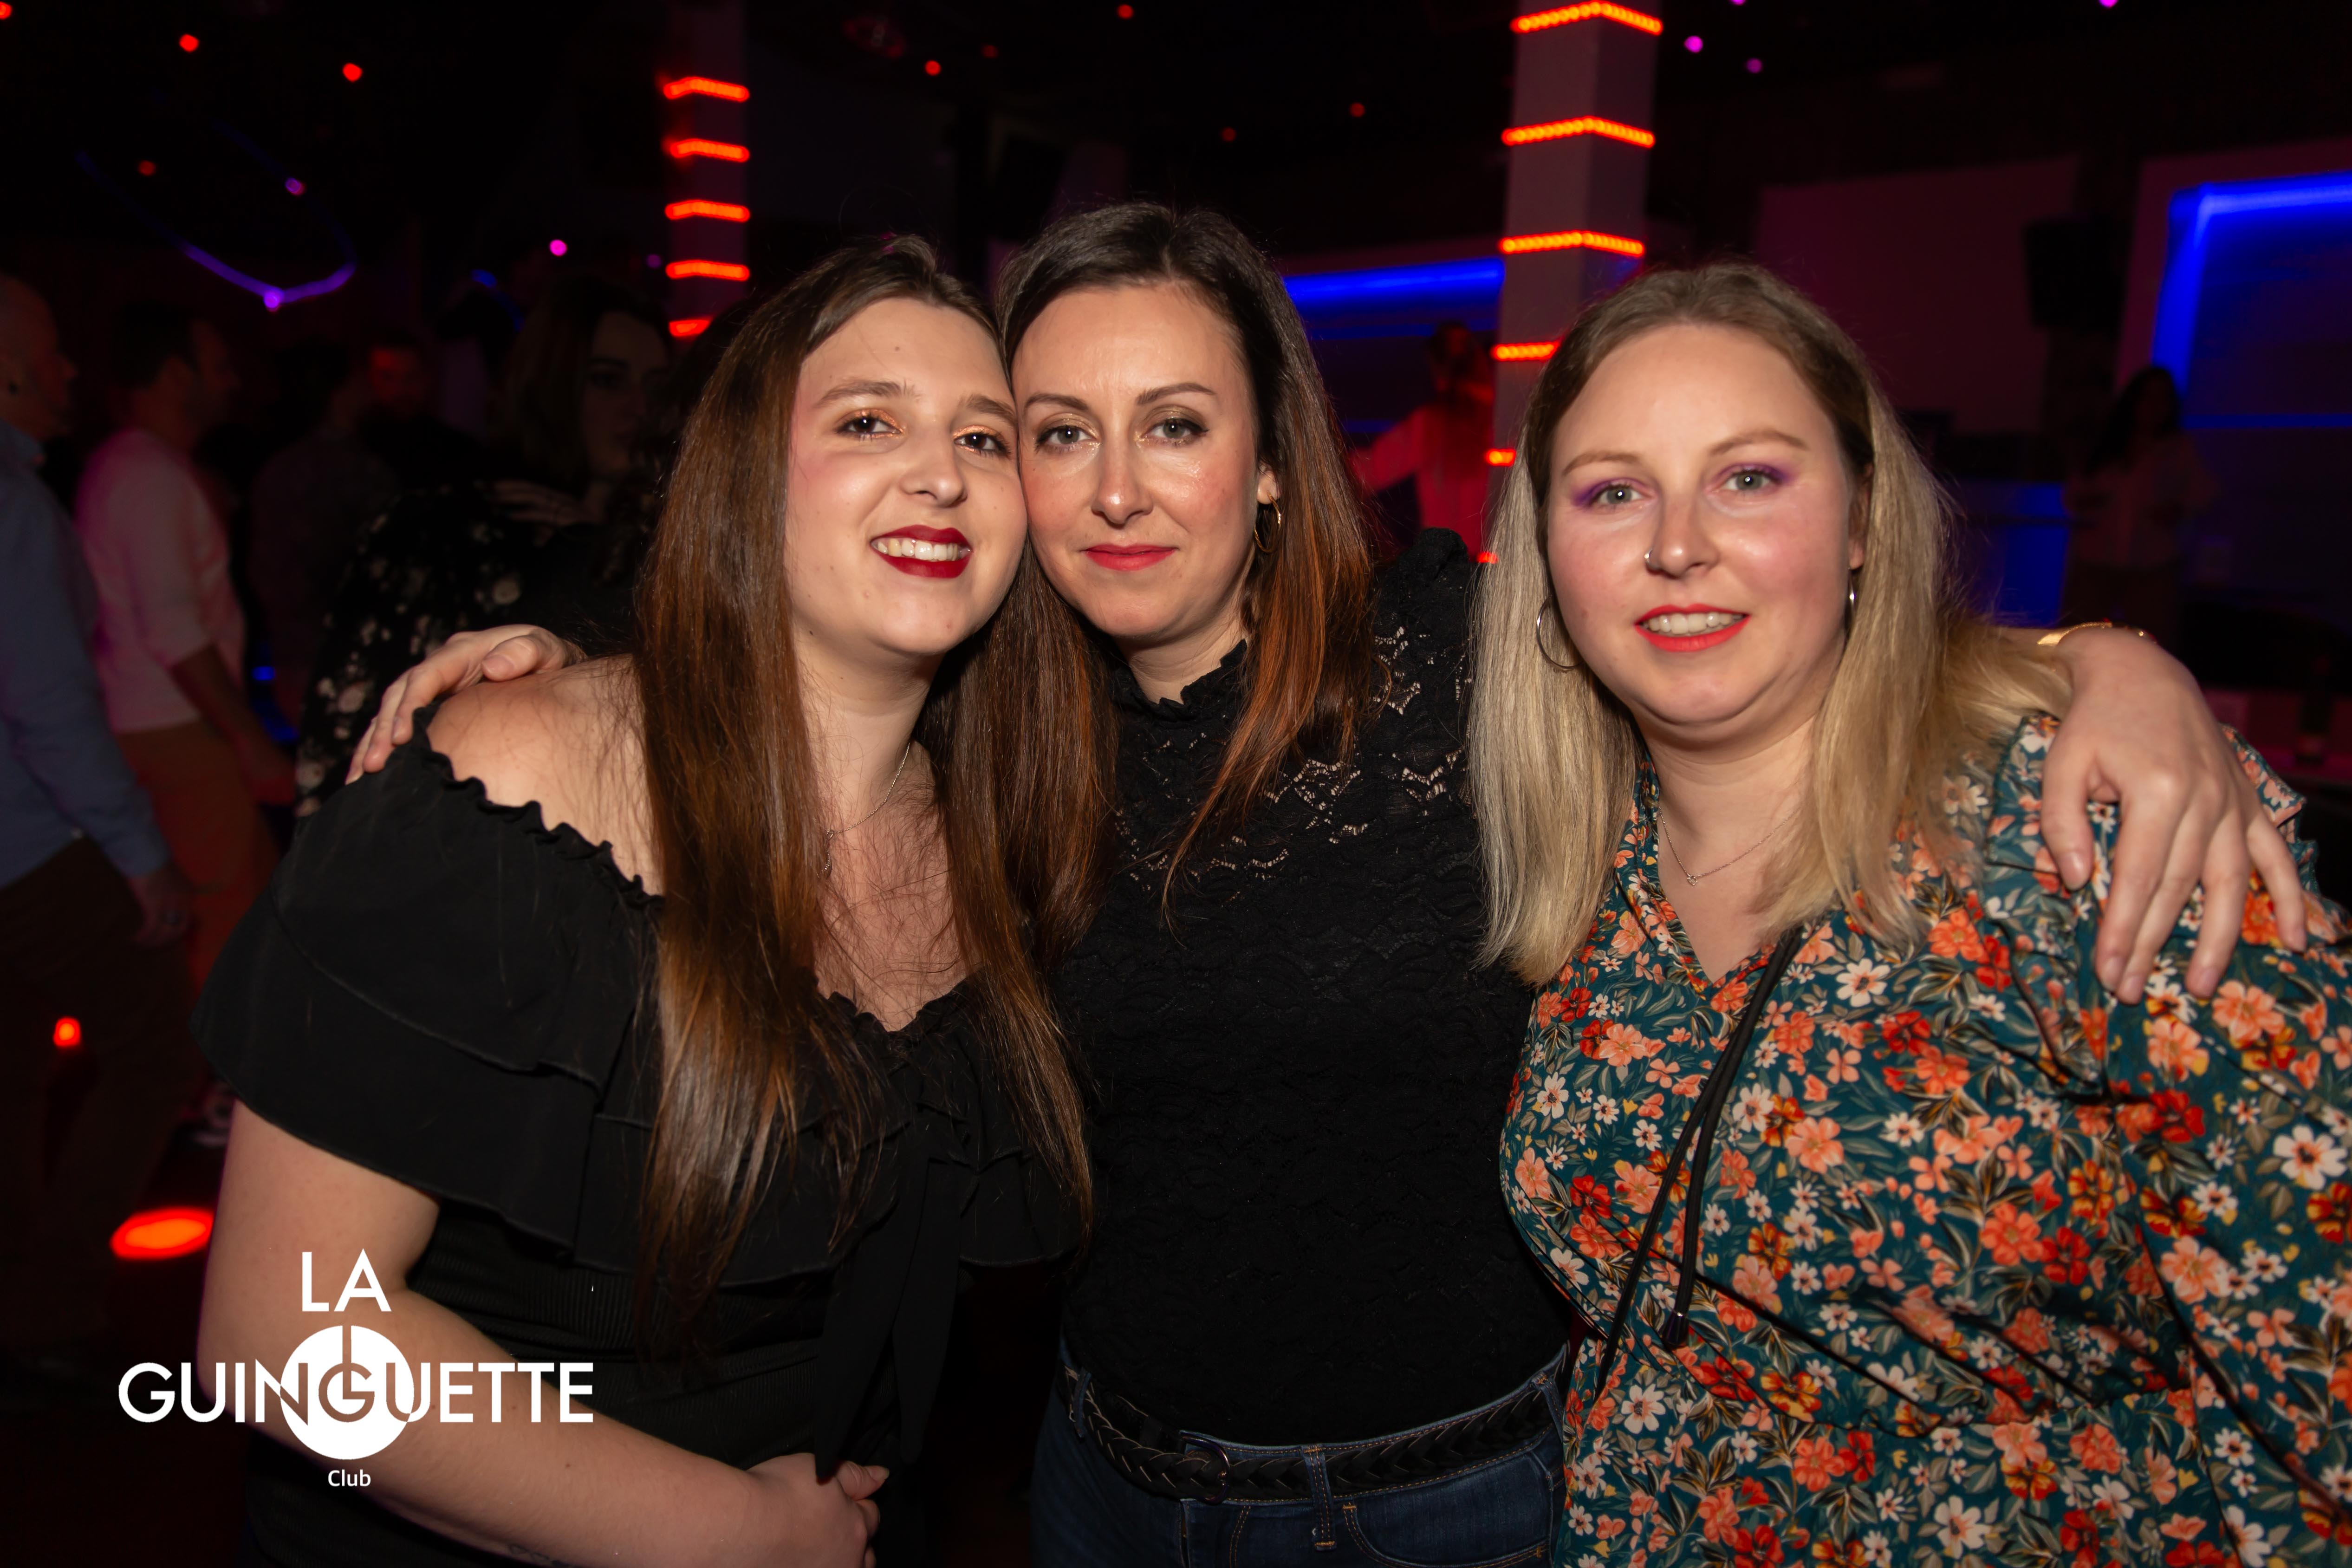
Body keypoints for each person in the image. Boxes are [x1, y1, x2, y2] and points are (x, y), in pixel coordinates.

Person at [348, 204, 2296, 1567]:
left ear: (1272, 459)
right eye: (1057, 435)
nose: (1117, 487)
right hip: (1103, 1488)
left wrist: (2099, 662)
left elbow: (1744, 643)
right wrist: (564, 671)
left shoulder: (1471, 664)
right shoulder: (987, 745)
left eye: (1175, 427)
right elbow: (776, 658)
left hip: (1463, 1503)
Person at [194, 237, 1093, 1567]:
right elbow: (287, 1337)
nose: (941, 472)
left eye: (985, 437)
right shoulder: (524, 774)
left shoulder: (1004, 840)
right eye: (866, 420)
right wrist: (734, 1530)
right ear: (745, 474)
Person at [1476, 261, 2351, 1567]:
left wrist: (2105, 654)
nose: (1676, 545)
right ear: (1547, 556)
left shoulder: (2080, 830)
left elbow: (2321, 1388)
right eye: (1611, 492)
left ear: (1862, 521)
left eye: (1748, 477)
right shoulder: (1582, 864)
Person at [0, 275, 202, 1409]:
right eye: (48, 351)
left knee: (15, 1068)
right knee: (156, 1044)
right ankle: (52, 1312)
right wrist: (141, 856)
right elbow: (50, 715)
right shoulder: (16, 509)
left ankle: (23, 1298)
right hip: (28, 842)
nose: (70, 369)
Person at [293, 280, 670, 815]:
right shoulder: (439, 527)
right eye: (606, 380)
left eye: (656, 386)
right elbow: (345, 734)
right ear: (550, 386)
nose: (638, 407)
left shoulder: (663, 536)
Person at [75, 301, 286, 989]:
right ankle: (210, 1057)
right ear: (175, 375)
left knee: (236, 901)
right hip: (177, 727)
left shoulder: (136, 467)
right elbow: (173, 628)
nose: (233, 382)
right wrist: (247, 737)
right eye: (219, 367)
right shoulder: (149, 477)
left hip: (160, 723)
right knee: (228, 916)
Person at [248, 342, 398, 724]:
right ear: (341, 390)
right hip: (352, 661)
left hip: (293, 659)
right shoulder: (361, 470)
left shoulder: (278, 469)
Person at [2062, 366, 2216, 650]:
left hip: (2152, 563)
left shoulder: (2178, 449)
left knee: (2153, 642)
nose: (2154, 407)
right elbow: (2073, 495)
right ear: (2133, 400)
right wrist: (2092, 502)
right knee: (2078, 637)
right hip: (2097, 558)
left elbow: (2204, 494)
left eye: (2162, 399)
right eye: (2148, 398)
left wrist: (2177, 510)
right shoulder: (2106, 446)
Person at [1352, 319, 1499, 552]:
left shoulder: (1431, 424)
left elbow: (1365, 471)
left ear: (1437, 369)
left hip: (1445, 562)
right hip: (1492, 563)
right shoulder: (1503, 421)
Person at [357, 329, 483, 492]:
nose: (400, 389)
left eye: (411, 377)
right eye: (388, 377)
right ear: (370, 379)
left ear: (427, 378)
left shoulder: (459, 452)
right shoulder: (354, 451)